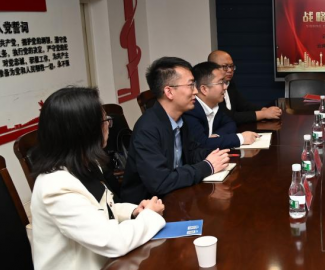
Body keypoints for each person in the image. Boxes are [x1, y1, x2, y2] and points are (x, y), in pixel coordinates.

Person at [30, 87, 166, 270]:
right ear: (84, 131)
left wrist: (133, 211)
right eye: (105, 121)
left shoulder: (84, 163)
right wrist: (149, 216)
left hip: (105, 269)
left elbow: (100, 207)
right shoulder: (56, 186)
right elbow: (112, 242)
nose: (108, 127)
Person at [120, 57, 230, 204]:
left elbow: (191, 153)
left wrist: (216, 156)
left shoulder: (181, 119)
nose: (195, 91)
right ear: (169, 92)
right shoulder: (147, 129)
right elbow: (160, 182)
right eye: (191, 85)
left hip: (178, 197)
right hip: (147, 207)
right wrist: (208, 166)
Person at [183, 61, 258, 149]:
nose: (225, 87)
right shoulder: (191, 110)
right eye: (221, 82)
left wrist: (217, 136)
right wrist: (240, 138)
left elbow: (230, 123)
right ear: (204, 89)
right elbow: (201, 144)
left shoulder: (215, 105)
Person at [208, 50, 282, 123]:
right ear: (212, 68)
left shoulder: (229, 82)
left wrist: (264, 109)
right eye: (225, 66)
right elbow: (228, 117)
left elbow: (243, 105)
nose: (230, 70)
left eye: (231, 66)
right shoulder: (212, 89)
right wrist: (263, 114)